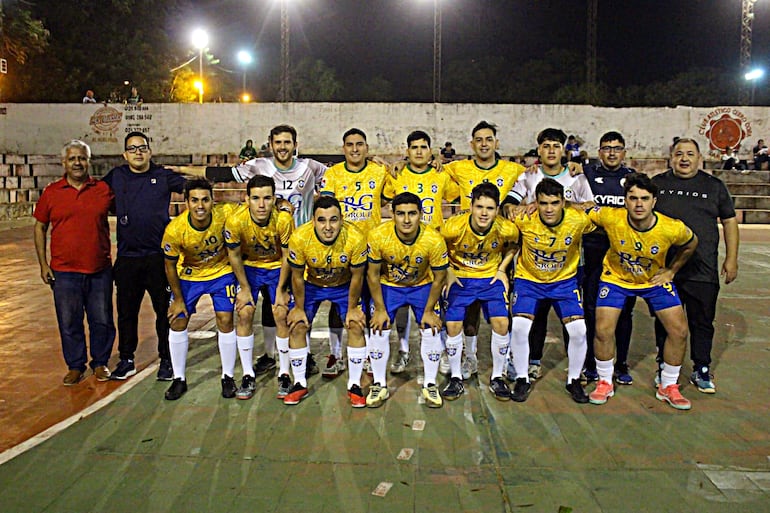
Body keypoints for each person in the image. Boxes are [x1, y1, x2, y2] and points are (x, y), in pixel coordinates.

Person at [180, 124, 328, 377]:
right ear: (270, 144)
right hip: (264, 250)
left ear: (295, 144)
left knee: (299, 304)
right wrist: (181, 170)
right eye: (278, 142)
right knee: (270, 306)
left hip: (298, 247)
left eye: (287, 142)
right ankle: (270, 354)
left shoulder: (311, 167)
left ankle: (304, 353)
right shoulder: (259, 166)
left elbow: (346, 172)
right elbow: (221, 173)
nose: (283, 147)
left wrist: (376, 162)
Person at [587, 173, 698, 410]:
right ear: (624, 200)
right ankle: (604, 381)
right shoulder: (610, 216)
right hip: (616, 278)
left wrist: (671, 270)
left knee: (679, 330)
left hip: (652, 280)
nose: (639, 204)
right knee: (603, 329)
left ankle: (669, 386)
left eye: (644, 198)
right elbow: (582, 208)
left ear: (654, 201)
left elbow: (692, 243)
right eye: (633, 198)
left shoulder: (671, 228)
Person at [652, 138, 739, 394]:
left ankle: (701, 367)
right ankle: (664, 366)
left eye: (690, 154)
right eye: (679, 154)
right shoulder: (658, 184)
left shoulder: (714, 187)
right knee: (665, 321)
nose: (684, 159)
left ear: (699, 158)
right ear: (671, 157)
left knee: (702, 321)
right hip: (665, 270)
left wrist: (731, 258)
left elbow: (730, 222)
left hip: (703, 269)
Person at [507, 128, 594, 381]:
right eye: (546, 146)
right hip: (533, 262)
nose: (551, 150)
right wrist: (525, 208)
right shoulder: (528, 176)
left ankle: (576, 369)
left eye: (556, 146)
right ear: (539, 150)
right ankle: (532, 362)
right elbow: (508, 206)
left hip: (569, 260)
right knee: (536, 315)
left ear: (563, 149)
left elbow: (591, 208)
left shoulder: (576, 177)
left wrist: (565, 205)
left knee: (572, 318)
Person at [442, 120, 526, 379]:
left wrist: (574, 166)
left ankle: (507, 358)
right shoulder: (458, 167)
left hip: (494, 251)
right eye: (478, 139)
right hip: (465, 256)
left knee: (502, 315)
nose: (484, 144)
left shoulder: (513, 169)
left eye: (489, 139)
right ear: (472, 144)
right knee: (469, 314)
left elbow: (537, 177)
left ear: (496, 143)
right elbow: (433, 170)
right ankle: (470, 357)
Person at [103, 132, 186, 381]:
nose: (138, 152)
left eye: (142, 147)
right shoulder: (116, 177)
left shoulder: (162, 176)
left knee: (164, 312)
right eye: (133, 148)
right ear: (125, 154)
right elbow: (94, 197)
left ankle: (167, 359)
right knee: (127, 313)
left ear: (150, 151)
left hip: (159, 259)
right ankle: (127, 359)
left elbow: (194, 189)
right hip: (128, 259)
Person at [33, 140, 115, 385]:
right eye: (72, 159)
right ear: (64, 163)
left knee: (101, 319)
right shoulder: (51, 192)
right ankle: (75, 365)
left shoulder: (103, 190)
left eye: (82, 158)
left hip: (99, 269)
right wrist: (43, 264)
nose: (77, 163)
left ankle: (100, 362)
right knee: (69, 321)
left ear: (88, 161)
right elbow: (40, 227)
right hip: (64, 272)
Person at [284, 195, 368, 406]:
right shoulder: (300, 238)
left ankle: (355, 385)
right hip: (312, 285)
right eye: (322, 220)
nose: (328, 226)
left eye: (334, 220)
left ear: (342, 219)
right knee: (297, 325)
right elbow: (296, 276)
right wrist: (299, 309)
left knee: (356, 324)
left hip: (344, 285)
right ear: (313, 220)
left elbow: (358, 277)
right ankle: (299, 383)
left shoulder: (355, 238)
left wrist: (352, 308)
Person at [366, 192, 448, 408]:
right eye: (400, 214)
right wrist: (380, 309)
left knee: (431, 328)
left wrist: (430, 310)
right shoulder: (377, 236)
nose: (406, 219)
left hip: (422, 285)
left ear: (421, 214)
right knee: (378, 326)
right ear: (392, 214)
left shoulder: (433, 239)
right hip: (389, 286)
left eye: (412, 213)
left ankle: (430, 383)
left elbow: (440, 278)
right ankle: (379, 384)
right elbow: (372, 275)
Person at [319, 128, 389, 377]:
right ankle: (335, 355)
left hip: (370, 249)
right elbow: (325, 206)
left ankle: (370, 353)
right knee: (340, 304)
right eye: (350, 145)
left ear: (367, 148)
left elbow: (389, 197)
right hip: (341, 249)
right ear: (343, 148)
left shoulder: (379, 172)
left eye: (360, 144)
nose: (355, 149)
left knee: (370, 304)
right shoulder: (333, 174)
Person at [161, 179, 239, 400]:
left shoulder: (224, 213)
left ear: (213, 200)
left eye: (205, 199)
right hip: (189, 274)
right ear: (186, 202)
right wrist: (177, 299)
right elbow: (169, 265)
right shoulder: (175, 230)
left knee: (225, 319)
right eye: (194, 200)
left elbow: (249, 207)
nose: (200, 205)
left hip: (221, 272)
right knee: (178, 319)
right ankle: (179, 379)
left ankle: (228, 376)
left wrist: (281, 203)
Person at [442, 183, 519, 403]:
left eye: (490, 208)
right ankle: (456, 377)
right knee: (453, 325)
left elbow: (514, 245)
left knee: (502, 323)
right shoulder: (454, 226)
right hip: (461, 276)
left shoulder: (506, 228)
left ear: (497, 210)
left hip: (489, 278)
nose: (484, 213)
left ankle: (497, 376)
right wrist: (448, 271)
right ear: (471, 207)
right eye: (479, 207)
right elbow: (439, 245)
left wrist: (502, 268)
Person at [225, 175, 294, 399]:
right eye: (256, 198)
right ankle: (247, 374)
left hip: (276, 268)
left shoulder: (283, 220)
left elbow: (287, 257)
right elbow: (234, 255)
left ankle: (284, 372)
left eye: (266, 198)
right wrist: (244, 288)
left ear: (275, 199)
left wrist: (282, 289)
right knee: (244, 312)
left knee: (281, 313)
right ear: (247, 199)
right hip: (250, 268)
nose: (261, 204)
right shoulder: (236, 221)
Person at [581, 131, 637, 385]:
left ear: (624, 152)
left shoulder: (634, 179)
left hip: (624, 257)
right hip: (593, 254)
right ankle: (592, 362)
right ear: (599, 151)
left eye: (617, 148)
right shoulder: (586, 174)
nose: (612, 152)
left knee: (624, 312)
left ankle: (621, 363)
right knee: (592, 310)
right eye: (606, 148)